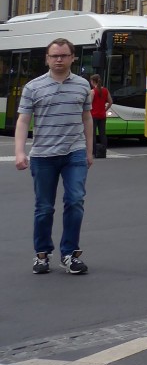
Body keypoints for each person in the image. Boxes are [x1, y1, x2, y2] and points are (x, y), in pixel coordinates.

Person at [14, 38, 93, 275]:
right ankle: (42, 254)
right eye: (54, 56)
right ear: (47, 58)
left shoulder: (82, 85)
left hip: (74, 152)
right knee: (44, 207)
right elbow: (23, 120)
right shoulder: (33, 87)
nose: (59, 60)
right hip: (43, 155)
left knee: (75, 201)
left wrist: (89, 150)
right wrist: (19, 151)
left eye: (64, 55)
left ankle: (69, 253)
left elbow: (87, 118)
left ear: (72, 58)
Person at [89, 74, 112, 159]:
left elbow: (89, 104)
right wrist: (105, 110)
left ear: (92, 81)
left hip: (93, 115)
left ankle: (94, 152)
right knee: (103, 134)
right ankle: (103, 151)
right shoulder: (105, 90)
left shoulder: (93, 91)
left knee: (93, 134)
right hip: (102, 115)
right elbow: (110, 102)